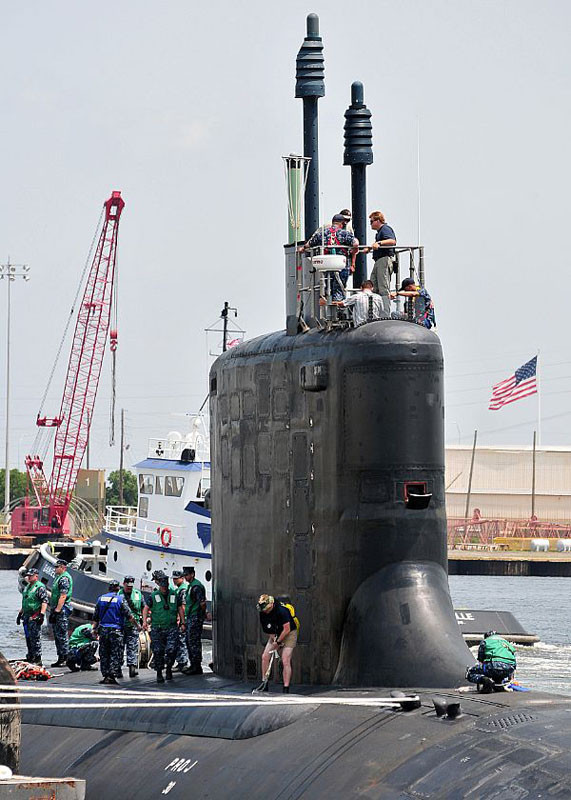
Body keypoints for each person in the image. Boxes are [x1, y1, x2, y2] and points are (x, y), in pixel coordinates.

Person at [300, 215, 359, 301]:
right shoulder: (344, 233)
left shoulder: (322, 234)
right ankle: (338, 305)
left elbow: (309, 244)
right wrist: (354, 252)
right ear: (342, 223)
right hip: (341, 266)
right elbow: (356, 243)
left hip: (326, 266)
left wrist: (303, 248)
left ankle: (327, 301)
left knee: (327, 287)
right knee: (339, 289)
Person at [93, 579, 139, 685]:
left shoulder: (101, 599)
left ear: (109, 588)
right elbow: (129, 616)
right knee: (116, 653)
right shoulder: (120, 599)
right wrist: (138, 626)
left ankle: (105, 675)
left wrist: (94, 629)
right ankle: (112, 675)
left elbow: (95, 617)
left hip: (103, 630)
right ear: (118, 589)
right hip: (116, 631)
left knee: (104, 653)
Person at [143, 570, 185, 684]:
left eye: (165, 586)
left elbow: (180, 608)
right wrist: (144, 622)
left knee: (172, 649)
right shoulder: (153, 596)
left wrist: (182, 622)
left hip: (171, 627)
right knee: (158, 651)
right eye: (162, 587)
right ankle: (159, 672)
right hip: (158, 627)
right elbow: (146, 608)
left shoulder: (174, 594)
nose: (164, 589)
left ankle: (169, 668)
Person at [257, 594, 299, 693]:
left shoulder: (282, 610)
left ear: (271, 605)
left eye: (267, 609)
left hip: (289, 633)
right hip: (276, 633)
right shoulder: (262, 612)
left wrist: (279, 642)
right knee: (265, 656)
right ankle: (264, 683)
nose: (265, 611)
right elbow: (268, 630)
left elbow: (287, 629)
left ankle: (286, 688)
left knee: (285, 659)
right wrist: (275, 641)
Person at [365, 211, 397, 316]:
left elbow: (392, 241)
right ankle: (376, 312)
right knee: (373, 285)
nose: (370, 224)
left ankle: (385, 314)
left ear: (378, 220)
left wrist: (379, 243)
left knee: (383, 288)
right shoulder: (379, 232)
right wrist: (370, 248)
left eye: (371, 221)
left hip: (384, 260)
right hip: (379, 261)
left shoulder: (385, 229)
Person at [17, 568, 48, 665]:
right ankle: (30, 656)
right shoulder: (27, 587)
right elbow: (26, 601)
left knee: (35, 637)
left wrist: (41, 615)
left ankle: (37, 658)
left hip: (35, 615)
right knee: (28, 637)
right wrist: (20, 614)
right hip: (26, 615)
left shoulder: (40, 587)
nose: (29, 577)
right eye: (28, 576)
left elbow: (44, 601)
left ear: (36, 576)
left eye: (31, 576)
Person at [49, 559, 73, 667]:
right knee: (57, 634)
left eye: (57, 567)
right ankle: (60, 657)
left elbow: (63, 596)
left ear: (63, 567)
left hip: (61, 609)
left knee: (62, 634)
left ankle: (65, 657)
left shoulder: (64, 578)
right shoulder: (58, 577)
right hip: (56, 608)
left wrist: (57, 611)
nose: (55, 569)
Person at [118, 575, 144, 678]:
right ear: (123, 584)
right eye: (127, 586)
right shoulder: (119, 594)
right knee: (119, 647)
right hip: (121, 625)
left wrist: (144, 620)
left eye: (131, 586)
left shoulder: (138, 594)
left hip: (133, 625)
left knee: (132, 646)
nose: (129, 588)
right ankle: (118, 669)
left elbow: (143, 606)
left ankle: (132, 668)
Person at [184, 566, 207, 675]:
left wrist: (203, 614)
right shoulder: (191, 586)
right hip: (191, 617)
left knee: (193, 641)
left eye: (187, 575)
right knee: (189, 641)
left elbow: (202, 603)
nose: (185, 577)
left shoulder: (196, 587)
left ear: (192, 574)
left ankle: (196, 666)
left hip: (195, 617)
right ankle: (193, 664)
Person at [171, 570, 191, 674]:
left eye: (176, 579)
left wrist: (180, 619)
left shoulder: (182, 590)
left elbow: (182, 606)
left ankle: (182, 663)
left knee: (181, 641)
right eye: (173, 579)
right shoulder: (181, 589)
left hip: (182, 619)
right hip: (184, 618)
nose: (174, 580)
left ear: (182, 578)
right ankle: (182, 661)